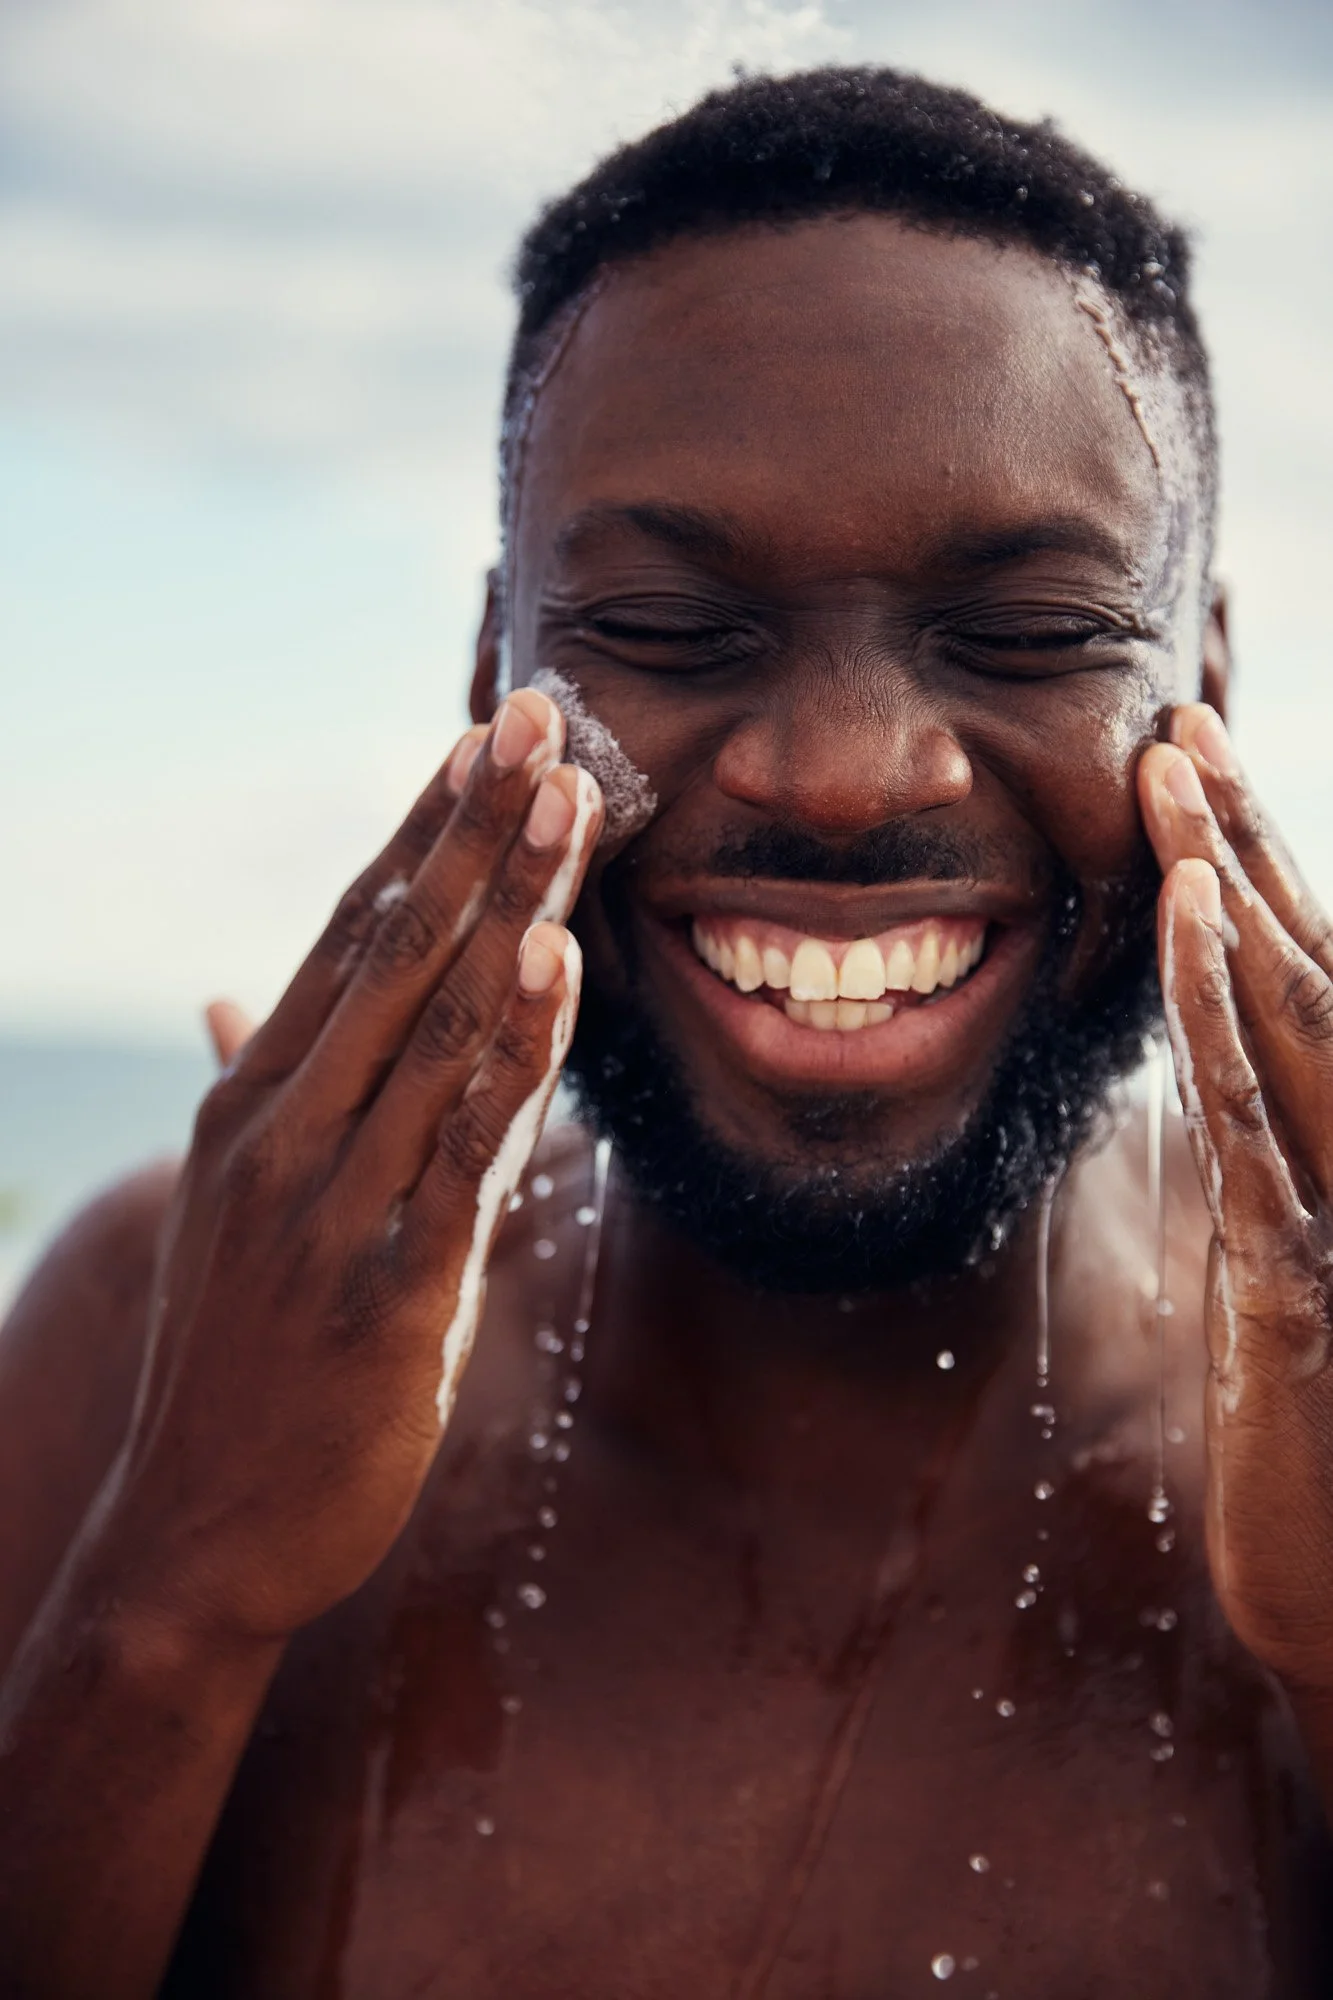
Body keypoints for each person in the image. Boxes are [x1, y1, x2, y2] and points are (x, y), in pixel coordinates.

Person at [2, 63, 1333, 1999]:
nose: (844, 770)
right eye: (671, 625)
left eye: (1031, 631)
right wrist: (175, 1589)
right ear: (498, 669)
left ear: (1201, 676)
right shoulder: (162, 1336)